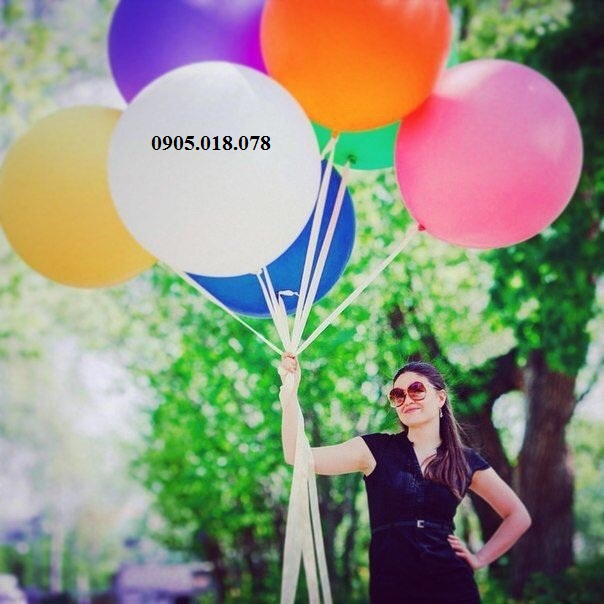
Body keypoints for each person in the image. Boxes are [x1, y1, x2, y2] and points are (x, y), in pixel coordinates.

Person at [278, 354, 531, 604]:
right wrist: (289, 392)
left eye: (417, 390)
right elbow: (295, 455)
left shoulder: (464, 460)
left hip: (453, 587)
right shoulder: (373, 450)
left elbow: (518, 515)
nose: (407, 399)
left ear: (440, 397)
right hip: (393, 589)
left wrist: (480, 558)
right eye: (397, 395)